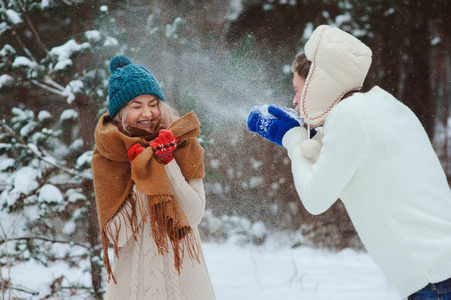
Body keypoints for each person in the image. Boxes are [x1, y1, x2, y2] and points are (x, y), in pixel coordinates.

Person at [247, 25, 451, 300]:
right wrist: (310, 137)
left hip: (434, 283)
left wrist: (293, 140)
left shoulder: (349, 116)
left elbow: (315, 198)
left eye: (298, 90)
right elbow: (351, 164)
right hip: (439, 273)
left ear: (318, 84)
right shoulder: (383, 105)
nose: (295, 101)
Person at [91, 55, 216, 300]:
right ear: (121, 112)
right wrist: (142, 171)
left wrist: (167, 163)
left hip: (187, 284)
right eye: (136, 106)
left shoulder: (183, 144)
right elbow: (117, 235)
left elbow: (192, 215)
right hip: (132, 288)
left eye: (153, 103)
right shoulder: (109, 158)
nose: (147, 113)